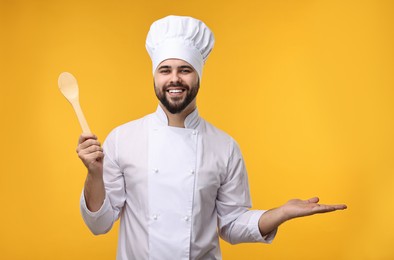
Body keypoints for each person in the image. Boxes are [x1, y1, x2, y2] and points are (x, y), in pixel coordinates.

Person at [77, 15, 347, 260]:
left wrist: (280, 213)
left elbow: (231, 224)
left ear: (198, 75)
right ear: (155, 76)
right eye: (165, 70)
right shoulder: (122, 139)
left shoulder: (225, 147)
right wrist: (94, 174)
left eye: (184, 70)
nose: (174, 79)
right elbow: (98, 224)